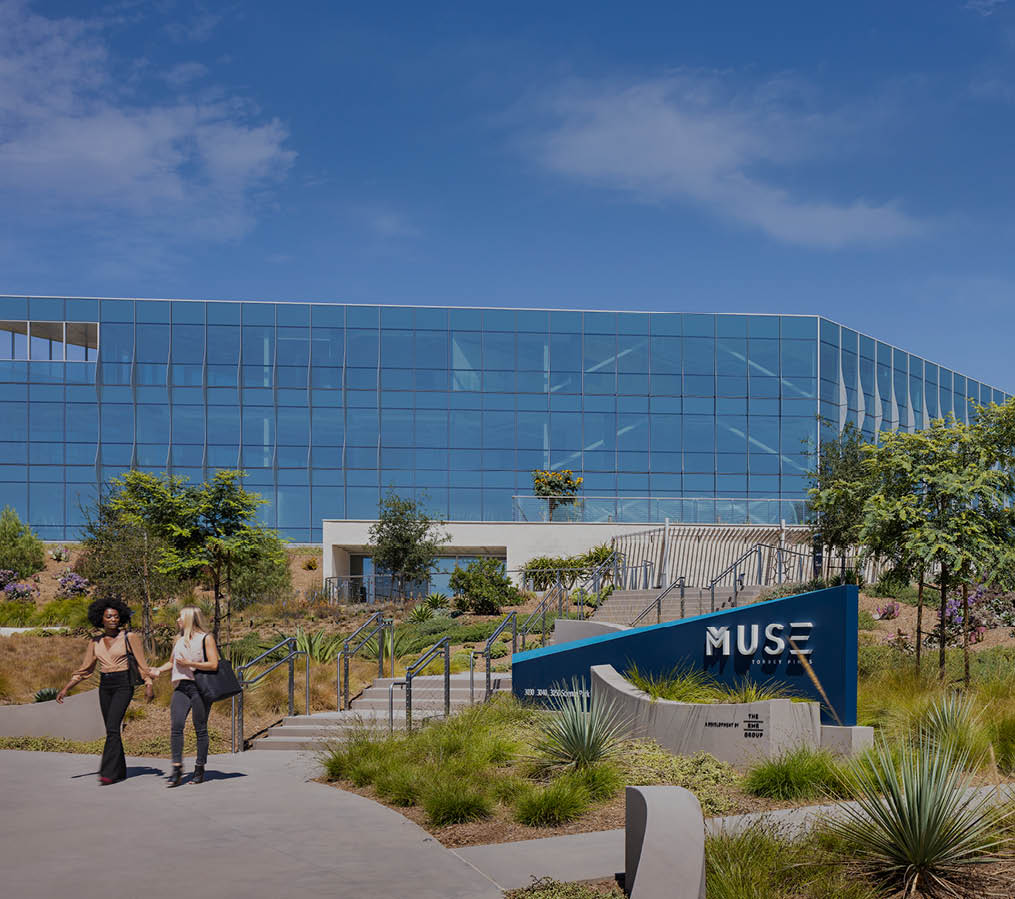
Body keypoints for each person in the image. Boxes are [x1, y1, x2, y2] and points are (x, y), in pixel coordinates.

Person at [56, 597, 154, 785]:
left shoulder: (129, 637)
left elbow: (142, 665)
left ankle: (108, 773)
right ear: (101, 619)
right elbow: (85, 670)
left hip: (124, 684)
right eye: (109, 617)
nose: (113, 620)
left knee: (112, 728)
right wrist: (66, 688)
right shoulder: (95, 642)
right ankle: (120, 769)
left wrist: (149, 683)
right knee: (112, 730)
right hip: (105, 685)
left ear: (121, 618)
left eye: (116, 617)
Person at [149, 606, 220, 787]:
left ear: (189, 619)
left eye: (180, 617)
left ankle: (199, 767)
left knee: (200, 728)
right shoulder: (178, 640)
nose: (177, 620)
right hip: (182, 687)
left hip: (200, 688)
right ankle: (177, 768)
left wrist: (189, 663)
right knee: (176, 726)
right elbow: (172, 663)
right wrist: (157, 670)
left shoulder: (206, 638)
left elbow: (214, 664)